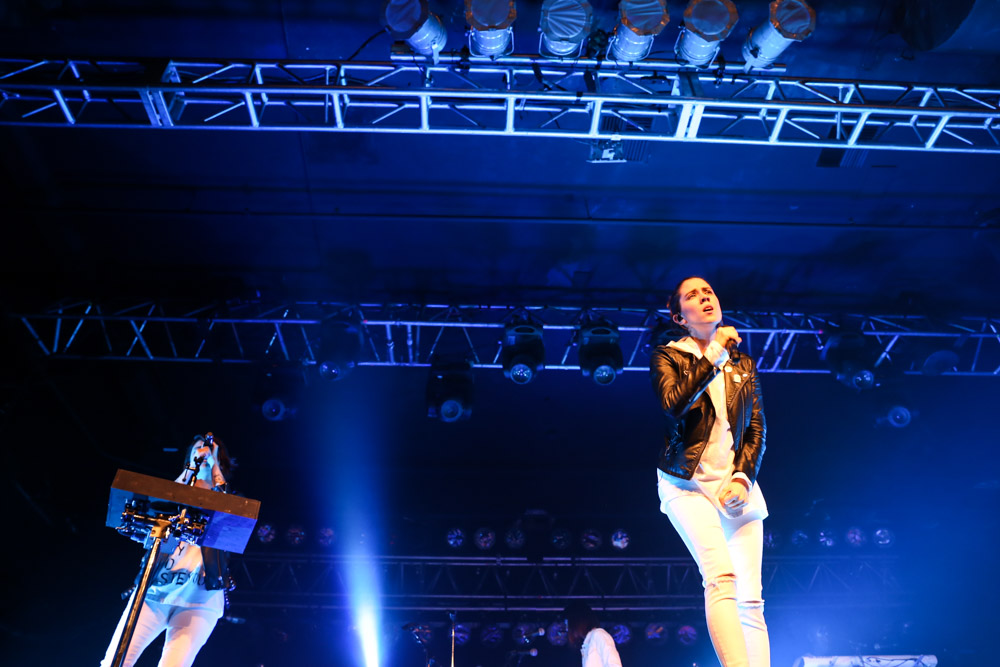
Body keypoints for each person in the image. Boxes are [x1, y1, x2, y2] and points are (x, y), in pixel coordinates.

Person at [649, 277, 769, 667]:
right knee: (721, 578)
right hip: (686, 484)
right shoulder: (668, 356)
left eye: (709, 292)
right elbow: (673, 405)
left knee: (751, 598)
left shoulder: (743, 364)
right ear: (679, 316)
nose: (704, 298)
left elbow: (755, 429)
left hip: (734, 485)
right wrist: (714, 353)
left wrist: (742, 477)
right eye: (692, 296)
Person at [100, 434, 234, 667]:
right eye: (198, 449)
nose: (202, 452)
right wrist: (192, 467)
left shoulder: (227, 499)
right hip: (153, 593)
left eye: (209, 451)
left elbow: (225, 507)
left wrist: (213, 463)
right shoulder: (173, 493)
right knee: (114, 661)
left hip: (199, 600)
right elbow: (167, 496)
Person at [563, 601, 623, 667]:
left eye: (567, 622)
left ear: (576, 620)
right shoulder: (587, 643)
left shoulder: (598, 635)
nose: (567, 628)